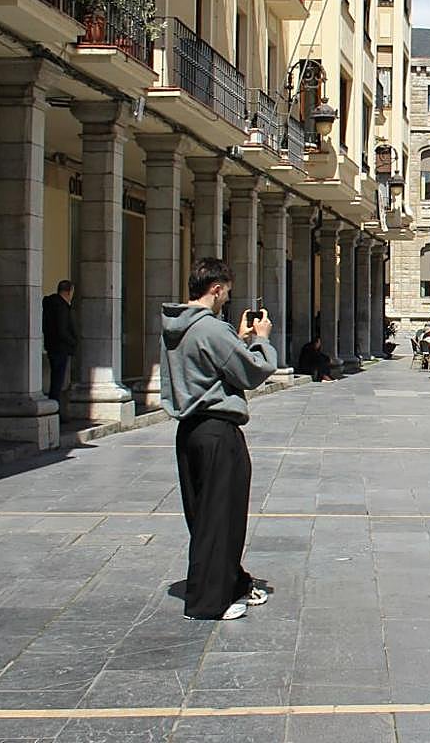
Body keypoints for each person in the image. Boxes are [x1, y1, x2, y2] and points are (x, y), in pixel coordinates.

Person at [160, 258, 276, 621]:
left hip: (191, 430)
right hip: (217, 431)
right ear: (216, 288)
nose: (228, 297)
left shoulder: (178, 326)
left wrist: (236, 340)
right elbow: (253, 371)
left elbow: (207, 366)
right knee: (222, 515)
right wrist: (260, 341)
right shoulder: (211, 328)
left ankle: (228, 582)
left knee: (205, 514)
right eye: (227, 290)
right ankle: (209, 602)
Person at [42, 279, 78, 405]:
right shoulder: (62, 307)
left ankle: (55, 405)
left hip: (51, 346)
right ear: (69, 292)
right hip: (61, 348)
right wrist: (73, 342)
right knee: (58, 381)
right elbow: (63, 330)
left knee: (55, 380)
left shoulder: (50, 304)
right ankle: (56, 407)